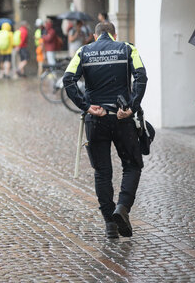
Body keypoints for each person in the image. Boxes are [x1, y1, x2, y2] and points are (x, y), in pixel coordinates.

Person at [62, 21, 148, 239]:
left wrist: (86, 106)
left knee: (102, 172)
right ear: (114, 34)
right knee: (132, 164)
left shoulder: (83, 51)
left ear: (94, 35)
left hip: (96, 118)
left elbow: (68, 79)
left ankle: (110, 224)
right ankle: (123, 208)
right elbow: (141, 76)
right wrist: (132, 106)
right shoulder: (128, 48)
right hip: (122, 118)